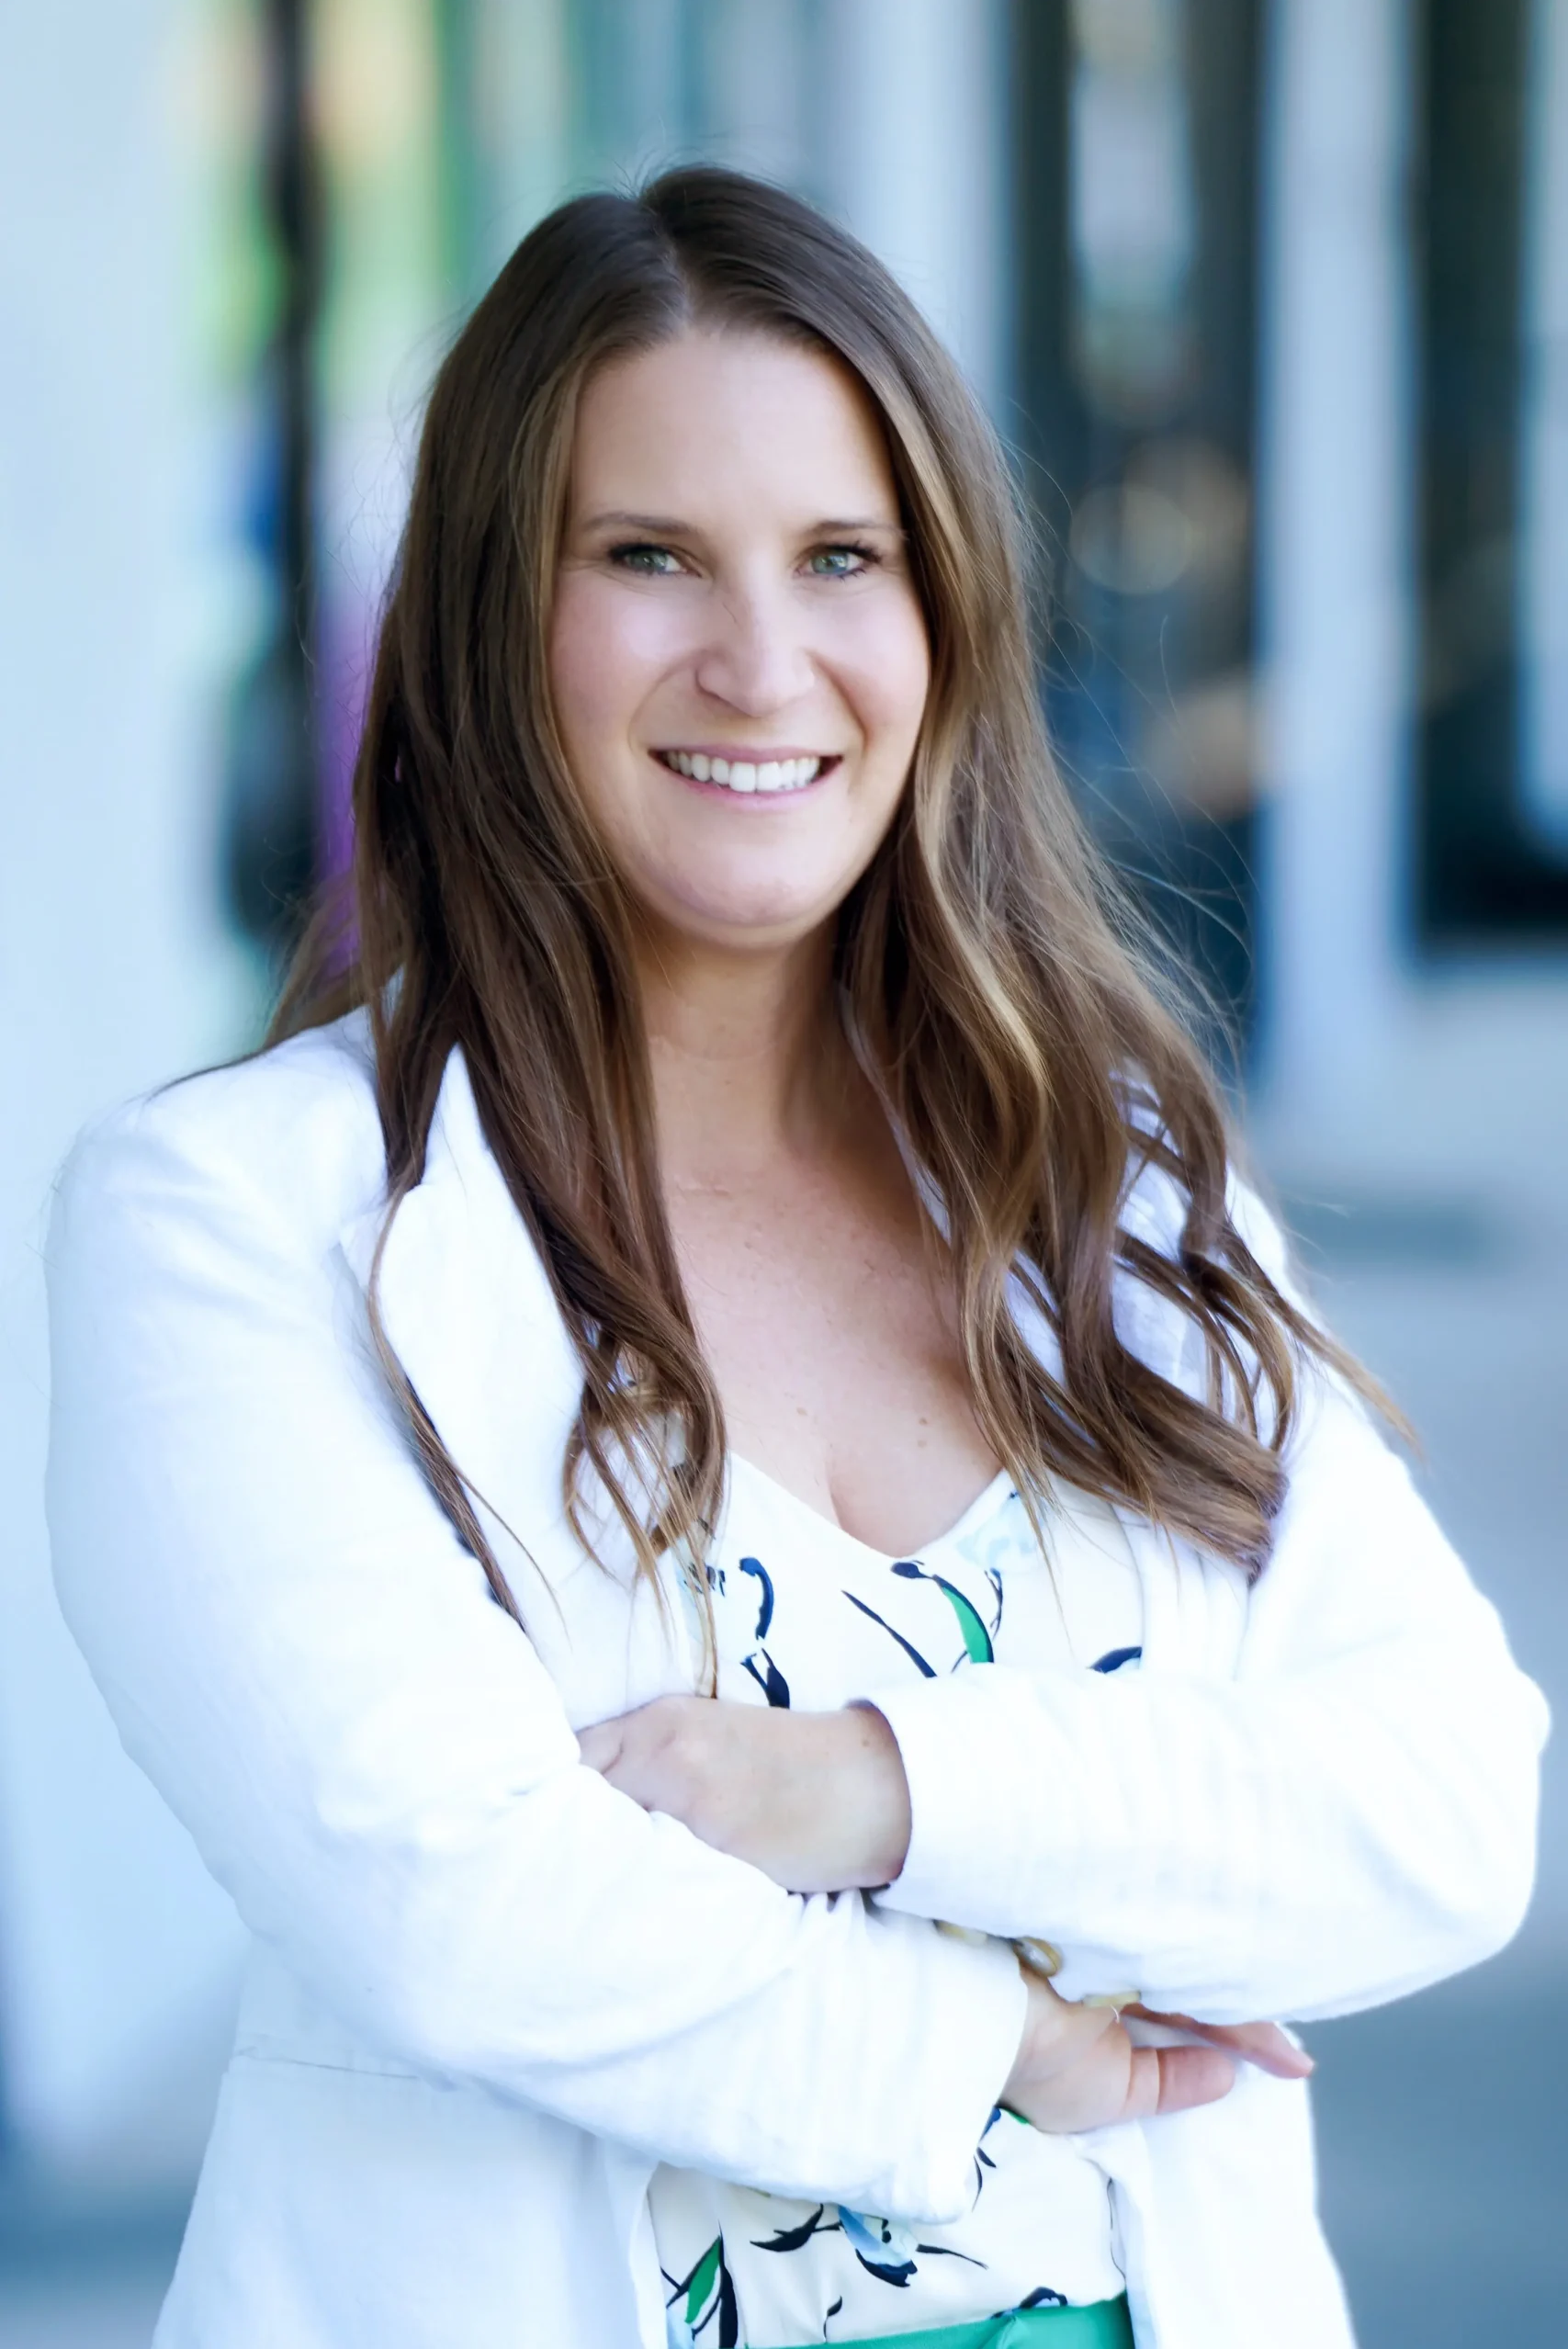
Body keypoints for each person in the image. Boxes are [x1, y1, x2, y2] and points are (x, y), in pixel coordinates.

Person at [46, 168, 1544, 2349]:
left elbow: (1438, 1801)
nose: (763, 662)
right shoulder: (234, 1221)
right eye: (649, 557)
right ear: (493, 618)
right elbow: (452, 1898)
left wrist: (870, 1783)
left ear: (938, 620)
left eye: (841, 558)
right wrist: (1002, 2049)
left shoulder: (1104, 1180)